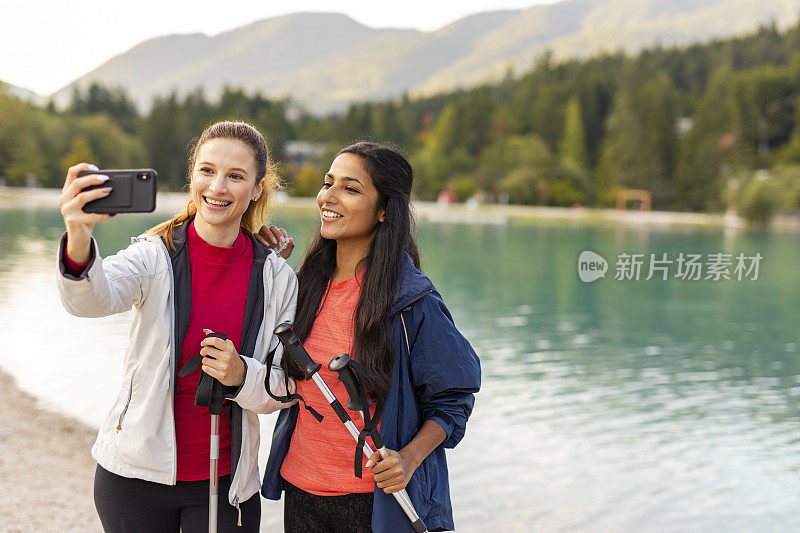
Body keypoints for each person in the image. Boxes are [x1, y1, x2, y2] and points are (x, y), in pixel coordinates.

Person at [56, 121, 297, 532]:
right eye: (207, 170)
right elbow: (92, 300)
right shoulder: (152, 257)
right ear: (192, 176)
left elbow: (285, 388)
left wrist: (242, 375)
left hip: (226, 485)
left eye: (235, 176)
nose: (217, 187)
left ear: (257, 188)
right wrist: (78, 235)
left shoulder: (276, 277)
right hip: (133, 478)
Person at [258, 142, 481, 533]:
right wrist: (260, 260)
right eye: (329, 183)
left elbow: (454, 398)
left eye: (351, 188)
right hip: (301, 493)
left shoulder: (411, 302)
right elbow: (266, 365)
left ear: (383, 211)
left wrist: (409, 459)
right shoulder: (302, 287)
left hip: (375, 506)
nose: (329, 196)